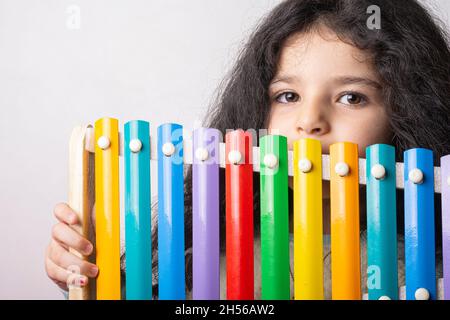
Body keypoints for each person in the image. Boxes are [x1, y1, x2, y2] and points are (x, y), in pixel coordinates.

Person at [46, 0, 450, 299]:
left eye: (351, 98)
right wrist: (93, 278)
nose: (310, 121)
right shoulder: (206, 255)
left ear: (406, 114)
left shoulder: (424, 270)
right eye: (287, 95)